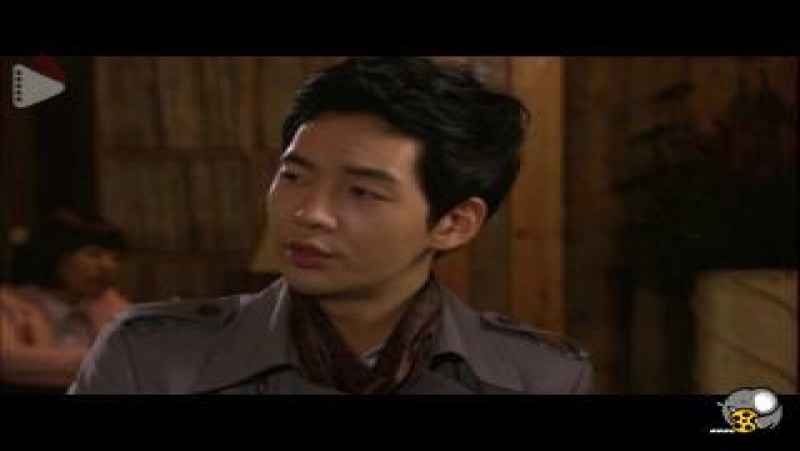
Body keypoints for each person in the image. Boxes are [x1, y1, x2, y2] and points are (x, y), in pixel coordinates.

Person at [69, 57, 592, 394]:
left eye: (361, 191)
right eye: (294, 176)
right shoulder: (150, 359)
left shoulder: (537, 377)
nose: (308, 212)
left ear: (454, 223)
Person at [1, 209, 131, 393]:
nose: (108, 266)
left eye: (115, 258)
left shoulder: (110, 303)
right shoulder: (9, 303)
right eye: (94, 254)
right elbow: (8, 359)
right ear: (55, 257)